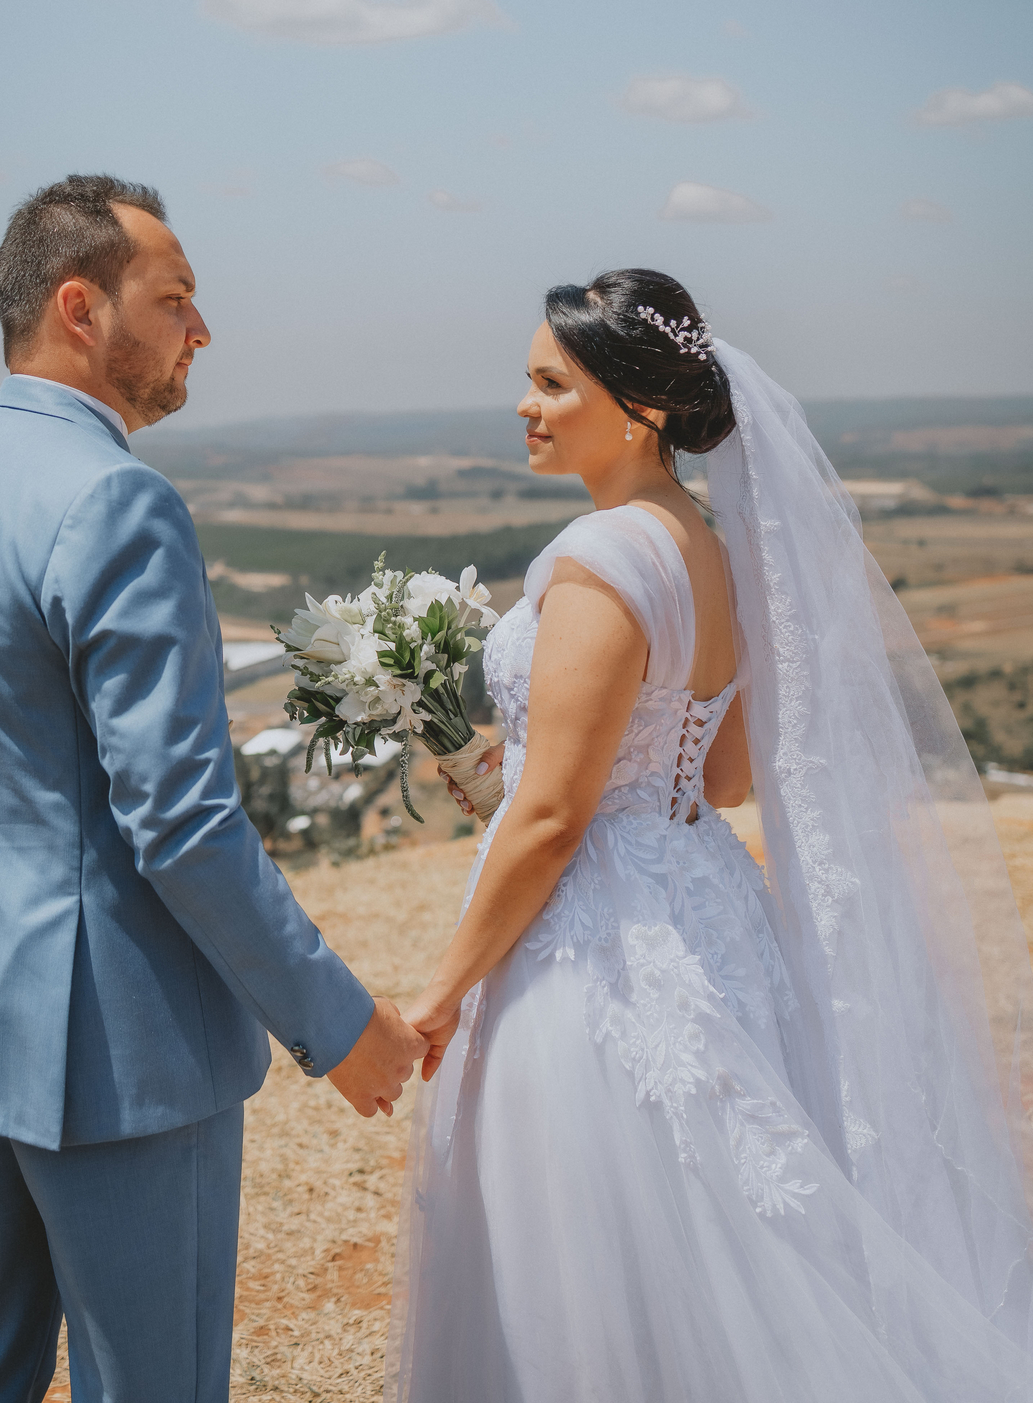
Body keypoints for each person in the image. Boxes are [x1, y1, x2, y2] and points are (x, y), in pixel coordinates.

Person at [385, 269, 1033, 1402]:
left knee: (595, 1251)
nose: (526, 405)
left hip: (595, 942)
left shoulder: (598, 561)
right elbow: (721, 776)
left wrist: (437, 995)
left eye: (552, 384)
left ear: (639, 407)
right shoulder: (709, 548)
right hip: (707, 907)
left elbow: (555, 819)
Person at [0, 173, 425, 1403]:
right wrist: (337, 1025)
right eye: (174, 300)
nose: (200, 331)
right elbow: (181, 821)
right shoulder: (118, 499)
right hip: (119, 1057)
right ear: (80, 308)